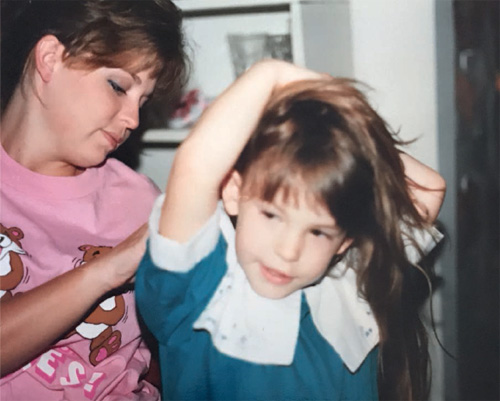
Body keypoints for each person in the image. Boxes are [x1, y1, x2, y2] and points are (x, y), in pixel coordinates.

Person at [135, 59, 446, 400]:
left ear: (346, 240)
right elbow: (195, 165)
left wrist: (350, 128)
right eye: (272, 216)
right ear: (234, 193)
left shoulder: (347, 285)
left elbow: (426, 191)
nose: (288, 251)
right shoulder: (204, 288)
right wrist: (274, 74)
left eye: (318, 232)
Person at [0, 0, 186, 399]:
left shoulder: (139, 200)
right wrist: (109, 269)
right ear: (50, 59)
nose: (133, 120)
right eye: (118, 86)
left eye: (143, 100)